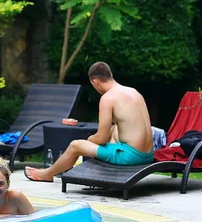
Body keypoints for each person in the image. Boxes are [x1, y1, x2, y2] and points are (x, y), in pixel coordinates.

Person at [24, 61, 154, 182]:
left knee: (76, 145)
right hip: (148, 154)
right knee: (114, 128)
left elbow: (101, 139)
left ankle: (47, 174)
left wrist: (90, 140)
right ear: (111, 75)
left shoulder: (107, 98)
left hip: (131, 157)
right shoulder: (133, 92)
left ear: (95, 82)